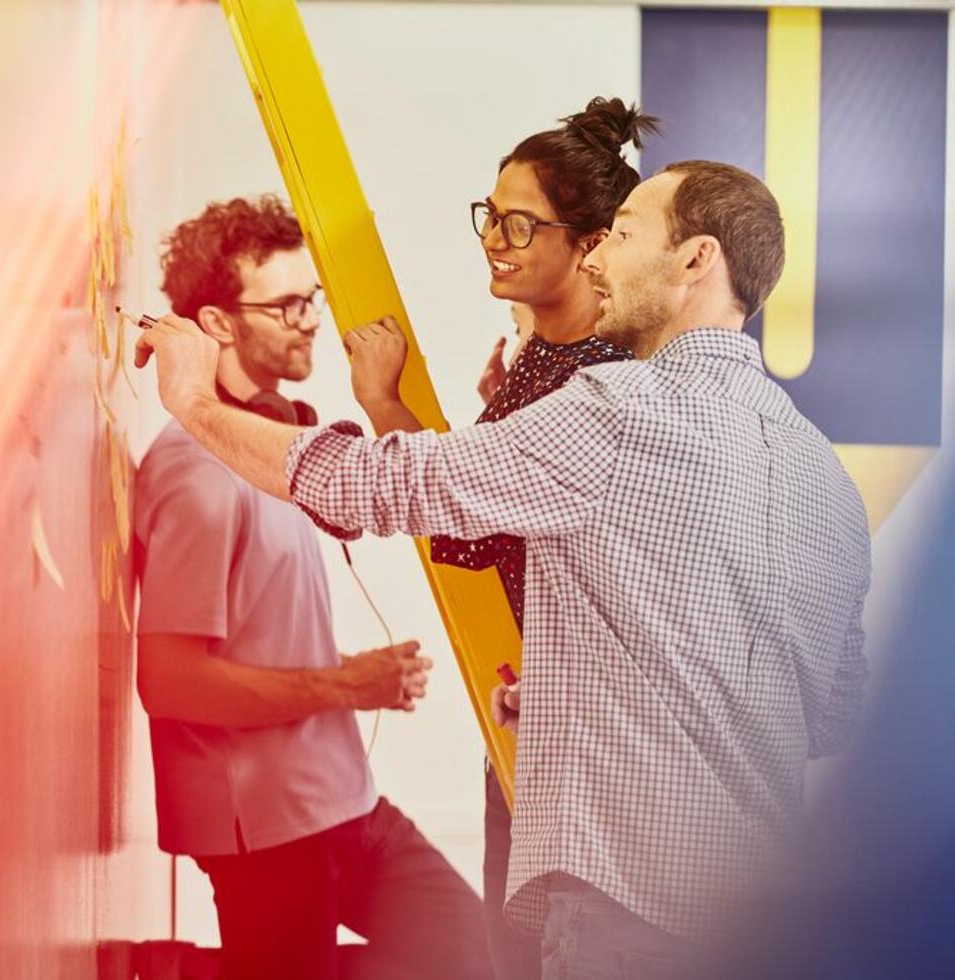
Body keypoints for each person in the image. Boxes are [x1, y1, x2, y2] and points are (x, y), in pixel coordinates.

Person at [135, 161, 872, 978]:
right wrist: (596, 691)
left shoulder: (616, 412)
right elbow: (830, 712)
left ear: (696, 261)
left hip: (629, 911)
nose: (596, 258)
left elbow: (383, 483)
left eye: (622, 235)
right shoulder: (819, 473)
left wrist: (196, 404)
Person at [133, 196, 491, 980]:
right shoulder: (193, 476)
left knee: (472, 953)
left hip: (340, 801)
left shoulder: (275, 441)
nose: (308, 321)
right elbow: (168, 680)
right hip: (263, 830)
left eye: (311, 298)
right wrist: (345, 684)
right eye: (284, 304)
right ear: (217, 324)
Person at [345, 97, 655, 979]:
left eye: (521, 224)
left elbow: (466, 520)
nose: (495, 239)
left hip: (583, 743)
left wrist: (382, 404)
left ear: (589, 244)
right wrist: (495, 409)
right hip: (533, 712)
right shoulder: (547, 359)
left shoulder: (595, 383)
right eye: (490, 214)